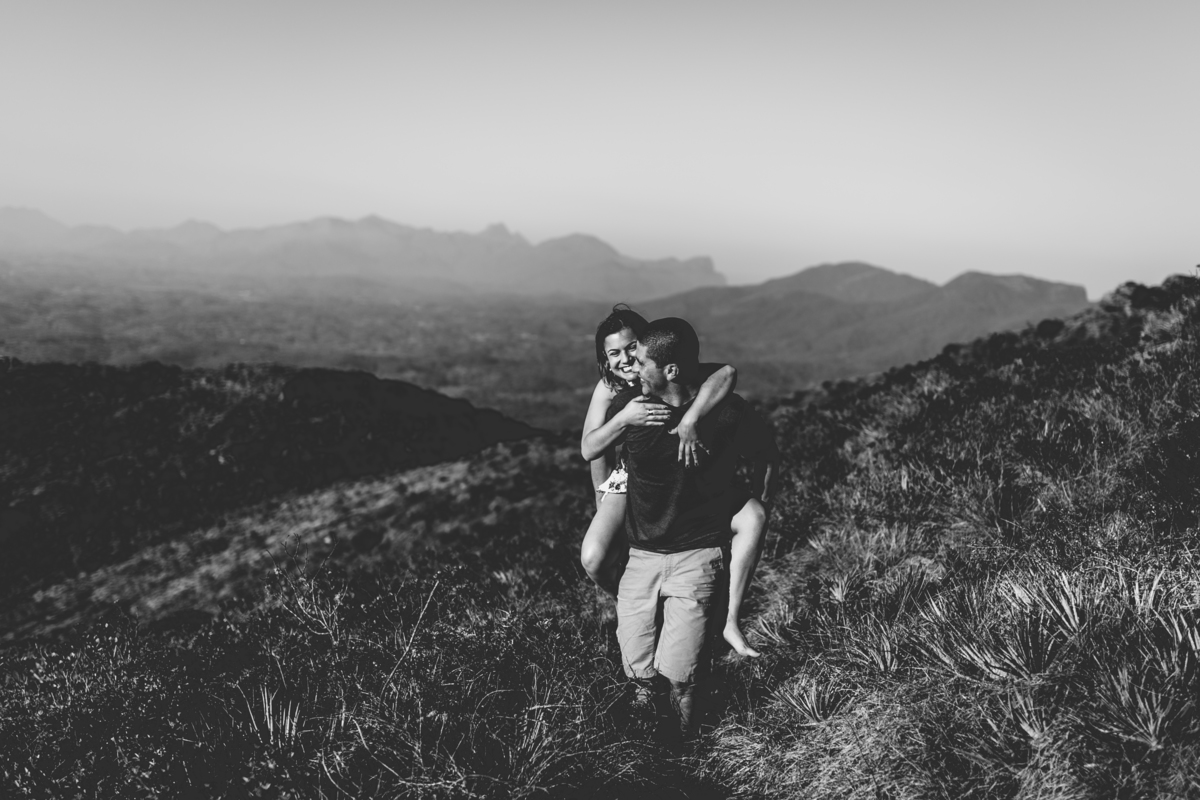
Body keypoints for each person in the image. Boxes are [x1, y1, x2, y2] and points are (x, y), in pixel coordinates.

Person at [602, 317, 779, 741]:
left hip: (697, 560)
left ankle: (684, 754)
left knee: (682, 679)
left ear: (671, 370)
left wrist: (756, 501)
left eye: (641, 361)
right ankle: (648, 756)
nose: (632, 368)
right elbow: (593, 449)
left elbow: (765, 451)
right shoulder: (632, 412)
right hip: (641, 562)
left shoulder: (726, 413)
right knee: (639, 680)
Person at [580, 306, 769, 657]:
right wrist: (623, 422)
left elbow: (726, 372)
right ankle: (643, 605)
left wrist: (692, 417)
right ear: (604, 360)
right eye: (613, 354)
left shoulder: (667, 366)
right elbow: (591, 449)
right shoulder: (608, 389)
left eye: (631, 348)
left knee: (752, 516)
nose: (624, 360)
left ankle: (722, 617)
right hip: (626, 478)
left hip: (676, 476)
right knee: (594, 557)